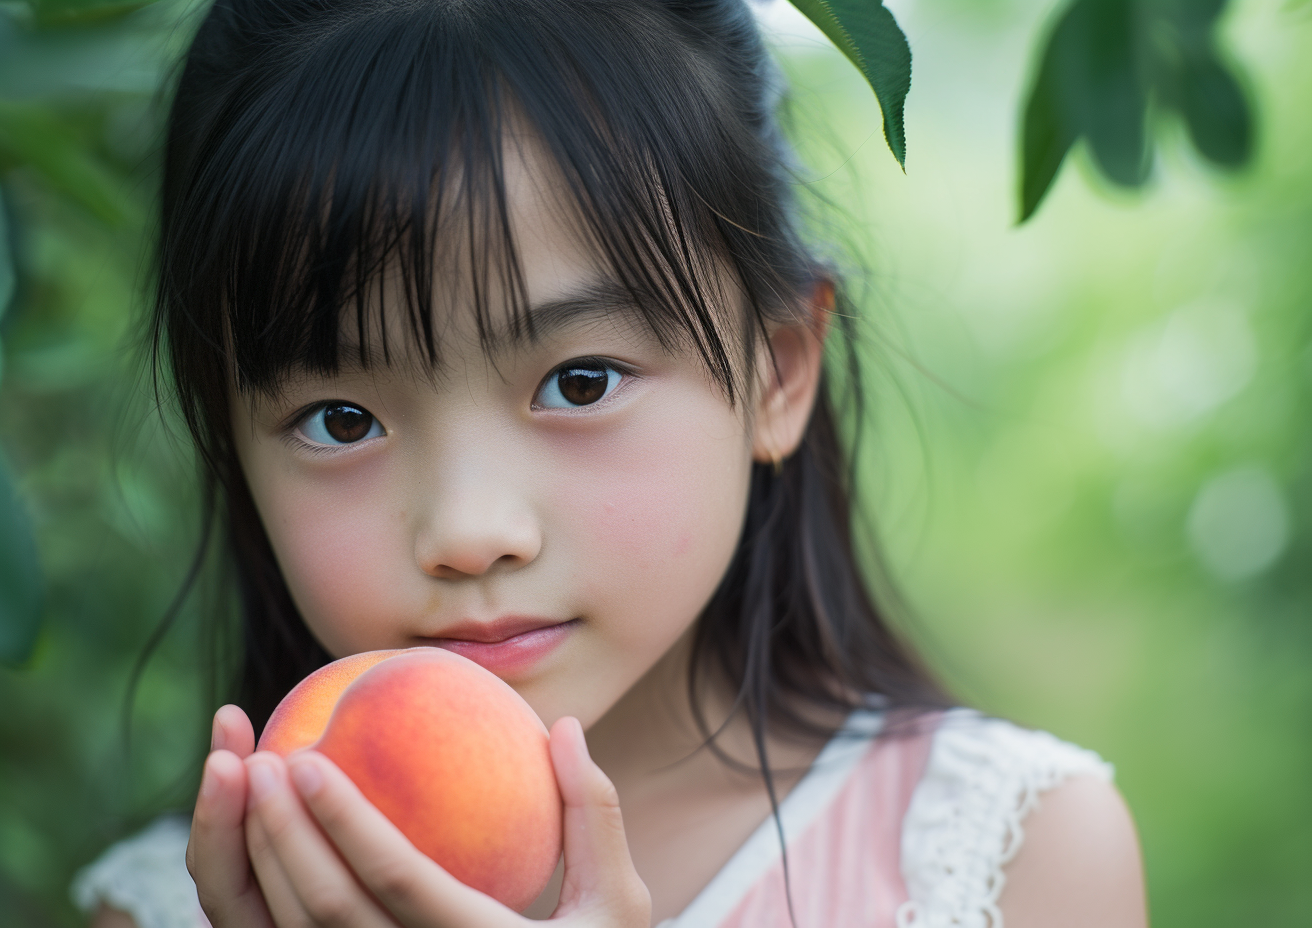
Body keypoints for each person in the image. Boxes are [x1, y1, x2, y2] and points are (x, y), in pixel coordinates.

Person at [73, 0, 1149, 925]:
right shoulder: (184, 903)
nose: (467, 529)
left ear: (775, 370)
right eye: (341, 419)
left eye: (579, 382)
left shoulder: (1003, 861)